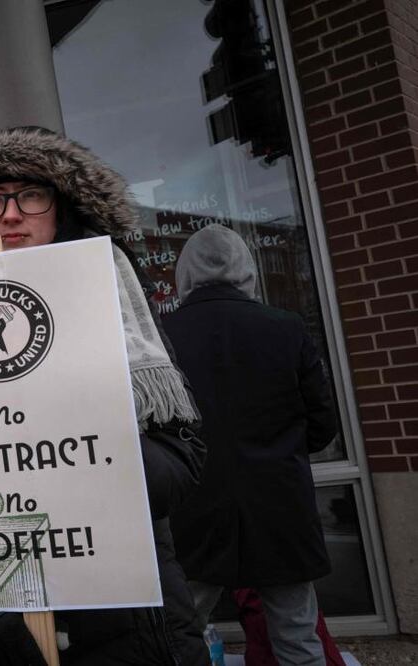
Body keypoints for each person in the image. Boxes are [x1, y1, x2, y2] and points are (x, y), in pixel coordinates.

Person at [0, 126, 209, 665]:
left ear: (62, 210)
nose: (11, 214)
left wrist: (88, 464)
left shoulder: (116, 313)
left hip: (126, 622)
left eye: (31, 195)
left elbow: (184, 455)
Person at [164, 224, 337, 666]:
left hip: (194, 511)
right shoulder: (286, 328)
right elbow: (322, 426)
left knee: (180, 637)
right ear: (247, 269)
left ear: (184, 274)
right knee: (298, 638)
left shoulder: (163, 337)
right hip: (281, 506)